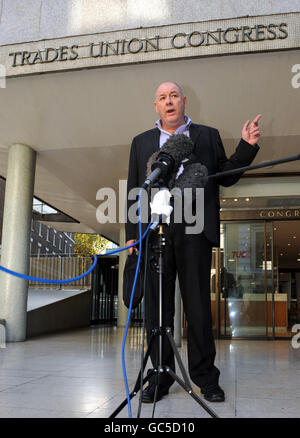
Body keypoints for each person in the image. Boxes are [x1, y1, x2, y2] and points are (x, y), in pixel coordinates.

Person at [125, 81, 261, 403]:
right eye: (162, 98)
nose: (169, 102)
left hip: (194, 229)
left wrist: (246, 146)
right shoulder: (141, 141)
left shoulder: (207, 136)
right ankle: (159, 377)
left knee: (198, 307)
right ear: (155, 106)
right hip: (156, 232)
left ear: (184, 102)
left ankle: (205, 378)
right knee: (158, 308)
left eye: (174, 96)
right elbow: (135, 186)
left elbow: (225, 175)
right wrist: (133, 232)